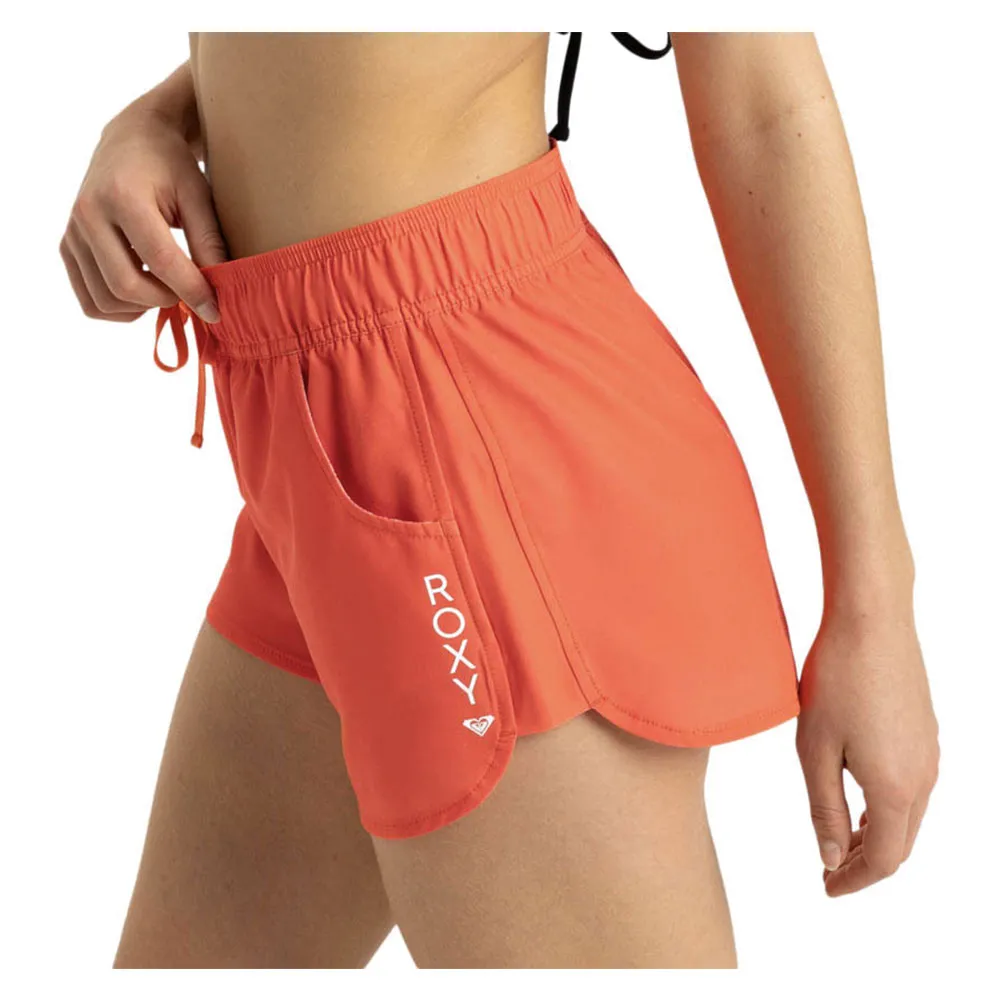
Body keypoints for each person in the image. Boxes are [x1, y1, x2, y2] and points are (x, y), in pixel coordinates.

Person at [59, 32, 939, 969]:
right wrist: (166, 114)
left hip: (473, 440)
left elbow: (764, 101)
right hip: (311, 438)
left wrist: (873, 605)